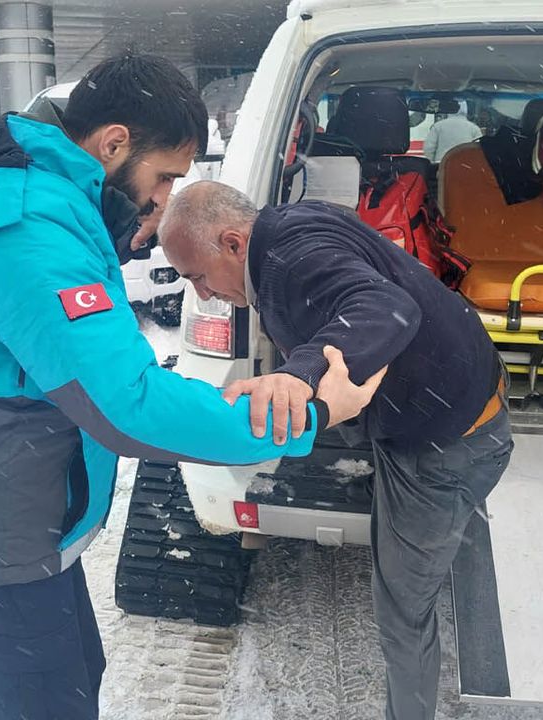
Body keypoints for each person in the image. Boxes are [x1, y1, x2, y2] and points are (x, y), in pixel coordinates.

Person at [0, 54, 384, 720]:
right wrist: (310, 414)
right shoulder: (21, 223)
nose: (164, 198)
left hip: (16, 499)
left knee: (74, 675)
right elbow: (127, 404)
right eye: (165, 177)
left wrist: (122, 222)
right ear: (114, 143)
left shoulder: (49, 198)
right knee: (48, 701)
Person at [159, 181, 514, 720]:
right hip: (453, 399)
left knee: (402, 611)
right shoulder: (288, 225)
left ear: (232, 243)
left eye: (198, 277)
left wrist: (299, 373)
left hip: (447, 446)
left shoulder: (291, 263)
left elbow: (385, 306)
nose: (203, 295)